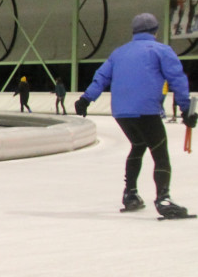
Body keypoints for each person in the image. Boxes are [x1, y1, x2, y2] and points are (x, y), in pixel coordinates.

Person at [74, 13, 194, 218]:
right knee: (160, 154)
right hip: (146, 111)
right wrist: (186, 108)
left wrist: (86, 99)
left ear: (134, 32)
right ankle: (163, 198)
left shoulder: (119, 53)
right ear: (155, 31)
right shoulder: (161, 50)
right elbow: (177, 79)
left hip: (121, 112)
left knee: (138, 146)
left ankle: (130, 195)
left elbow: (102, 76)